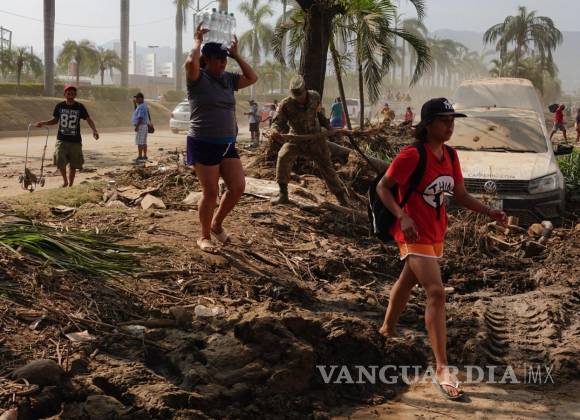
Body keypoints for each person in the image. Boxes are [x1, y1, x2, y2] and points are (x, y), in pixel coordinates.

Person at [376, 98, 507, 400]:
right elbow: (383, 187)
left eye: (452, 121)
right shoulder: (411, 155)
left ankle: (387, 329)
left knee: (407, 279)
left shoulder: (450, 155)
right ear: (428, 124)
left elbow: (460, 194)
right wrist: (402, 216)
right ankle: (442, 368)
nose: (450, 126)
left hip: (436, 233)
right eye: (444, 121)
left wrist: (489, 211)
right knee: (435, 291)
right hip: (412, 232)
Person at [185, 25, 257, 252]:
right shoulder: (197, 78)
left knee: (237, 187)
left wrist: (236, 55)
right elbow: (190, 62)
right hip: (203, 142)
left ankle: (216, 225)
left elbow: (252, 77)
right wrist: (197, 42)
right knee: (210, 193)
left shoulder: (228, 79)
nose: (223, 64)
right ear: (206, 59)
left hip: (227, 143)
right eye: (218, 60)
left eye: (225, 60)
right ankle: (204, 236)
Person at [270, 75, 349, 206]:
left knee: (327, 168)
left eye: (300, 95)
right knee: (283, 156)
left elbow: (319, 115)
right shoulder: (286, 104)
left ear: (305, 90)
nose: (298, 99)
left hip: (316, 139)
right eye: (296, 96)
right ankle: (283, 194)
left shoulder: (314, 97)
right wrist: (274, 131)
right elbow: (277, 122)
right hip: (296, 139)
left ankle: (341, 197)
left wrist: (329, 127)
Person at [35, 84, 99, 187]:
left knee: (73, 165)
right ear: (64, 94)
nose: (70, 95)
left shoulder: (80, 107)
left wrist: (94, 130)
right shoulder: (60, 106)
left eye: (73, 93)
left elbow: (88, 119)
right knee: (60, 162)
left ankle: (70, 185)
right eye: (68, 93)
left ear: (75, 95)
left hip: (75, 141)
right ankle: (65, 181)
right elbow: (55, 120)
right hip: (62, 139)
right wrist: (43, 123)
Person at [131, 92, 150, 162]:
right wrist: (134, 104)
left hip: (141, 126)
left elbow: (140, 117)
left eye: (137, 98)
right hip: (144, 126)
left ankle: (140, 156)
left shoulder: (142, 106)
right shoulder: (142, 106)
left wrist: (137, 126)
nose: (136, 99)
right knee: (144, 142)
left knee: (140, 142)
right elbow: (137, 112)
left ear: (141, 98)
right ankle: (144, 156)